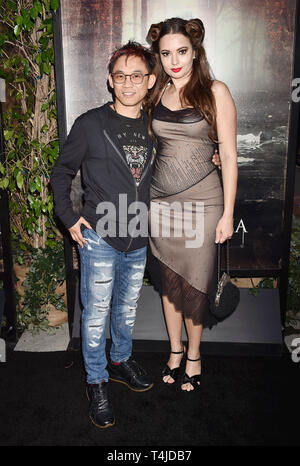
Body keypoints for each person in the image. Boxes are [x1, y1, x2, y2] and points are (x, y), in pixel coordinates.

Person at [50, 41, 157, 428]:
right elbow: (61, 174)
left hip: (139, 238)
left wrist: (211, 157)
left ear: (150, 80)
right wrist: (69, 217)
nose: (128, 83)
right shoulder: (90, 124)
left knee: (126, 312)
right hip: (99, 239)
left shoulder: (154, 124)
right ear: (110, 81)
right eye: (120, 76)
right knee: (95, 319)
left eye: (137, 75)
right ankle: (95, 381)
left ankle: (120, 359)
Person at [145, 18, 238, 392]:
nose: (174, 61)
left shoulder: (216, 91)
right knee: (169, 281)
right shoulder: (156, 95)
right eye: (166, 54)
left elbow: (229, 156)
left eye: (181, 51)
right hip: (160, 204)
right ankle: (174, 351)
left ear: (195, 51)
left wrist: (229, 213)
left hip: (204, 203)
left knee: (194, 286)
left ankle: (195, 356)